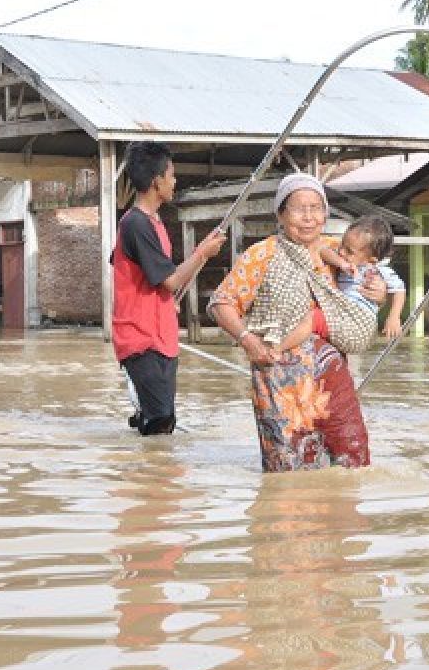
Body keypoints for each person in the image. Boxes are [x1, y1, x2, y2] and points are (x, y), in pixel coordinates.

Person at [208, 173, 388, 472]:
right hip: (280, 380)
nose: (309, 217)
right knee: (288, 473)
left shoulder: (339, 251)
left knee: (352, 459)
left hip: (330, 378)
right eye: (299, 209)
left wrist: (379, 293)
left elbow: (370, 284)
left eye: (316, 208)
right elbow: (220, 303)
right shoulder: (261, 255)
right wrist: (247, 340)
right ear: (280, 213)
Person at [111, 141, 226, 436]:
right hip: (140, 337)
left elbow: (152, 279)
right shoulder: (135, 224)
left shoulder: (153, 223)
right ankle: (149, 473)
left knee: (164, 421)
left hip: (162, 334)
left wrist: (164, 300)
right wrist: (202, 253)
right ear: (156, 181)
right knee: (160, 420)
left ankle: (153, 464)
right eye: (171, 175)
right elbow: (171, 280)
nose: (175, 182)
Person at [276, 214, 407, 353]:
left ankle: (277, 349)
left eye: (349, 251)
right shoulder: (344, 260)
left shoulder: (378, 270)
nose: (342, 252)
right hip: (342, 318)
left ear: (371, 260)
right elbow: (322, 251)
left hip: (358, 324)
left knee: (312, 318)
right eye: (343, 245)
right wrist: (342, 263)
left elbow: (399, 290)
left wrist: (394, 316)